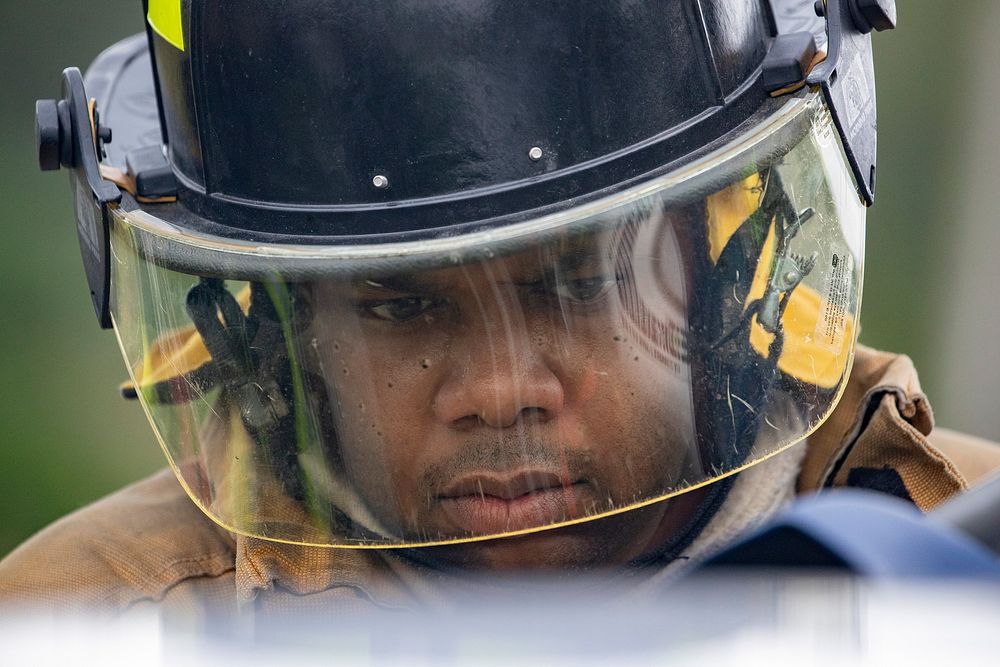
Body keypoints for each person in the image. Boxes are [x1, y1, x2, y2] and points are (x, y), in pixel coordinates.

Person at [3, 0, 999, 613]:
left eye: (574, 284)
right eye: (399, 305)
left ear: (731, 263)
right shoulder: (79, 625)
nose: (495, 391)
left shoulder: (964, 559)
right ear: (280, 331)